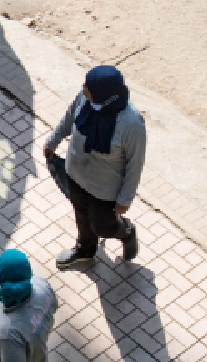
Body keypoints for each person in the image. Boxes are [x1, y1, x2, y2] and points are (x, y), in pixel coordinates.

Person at [43, 65, 147, 269]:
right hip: (76, 174)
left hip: (104, 190)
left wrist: (125, 199)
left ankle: (126, 231)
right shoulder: (86, 99)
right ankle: (85, 250)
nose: (83, 88)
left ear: (104, 92)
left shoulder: (132, 124)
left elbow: (135, 164)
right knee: (81, 214)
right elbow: (69, 117)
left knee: (103, 226)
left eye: (89, 86)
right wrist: (52, 141)